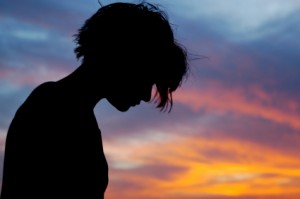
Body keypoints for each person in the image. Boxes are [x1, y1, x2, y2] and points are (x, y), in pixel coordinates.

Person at [0, 1, 189, 199]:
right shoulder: (53, 109)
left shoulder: (72, 112)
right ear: (123, 58)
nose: (146, 96)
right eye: (147, 80)